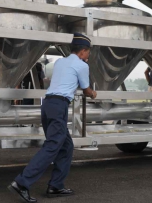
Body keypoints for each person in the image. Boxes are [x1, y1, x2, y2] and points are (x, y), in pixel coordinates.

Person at [9, 33, 97, 202]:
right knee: (52, 146)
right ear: (82, 52)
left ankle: (56, 186)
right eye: (88, 52)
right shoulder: (82, 65)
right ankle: (22, 183)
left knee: (66, 146)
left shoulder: (60, 62)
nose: (89, 55)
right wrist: (93, 93)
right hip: (59, 107)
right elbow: (86, 90)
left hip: (48, 104)